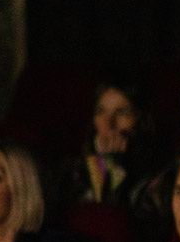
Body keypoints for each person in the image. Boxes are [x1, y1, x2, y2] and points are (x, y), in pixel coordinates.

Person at [54, 79, 156, 210]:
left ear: (140, 120)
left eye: (121, 113)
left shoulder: (151, 176)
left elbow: (112, 217)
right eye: (101, 111)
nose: (108, 123)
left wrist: (114, 163)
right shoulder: (71, 169)